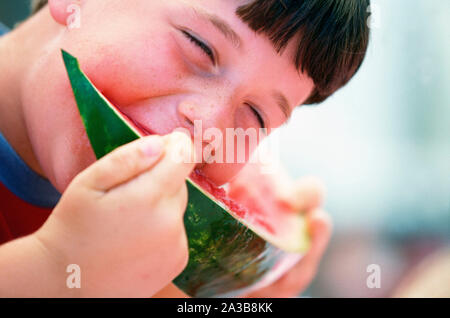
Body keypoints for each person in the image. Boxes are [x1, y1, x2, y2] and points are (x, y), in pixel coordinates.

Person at [0, 0, 370, 297]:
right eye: (199, 45)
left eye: (256, 115)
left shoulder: (149, 253)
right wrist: (54, 269)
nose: (208, 129)